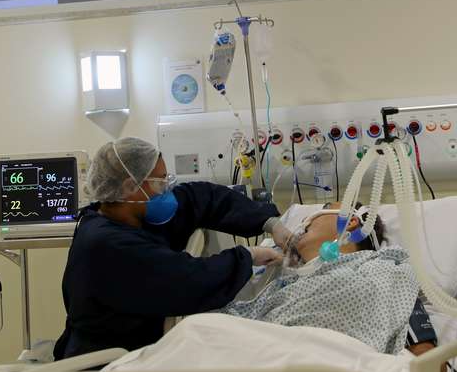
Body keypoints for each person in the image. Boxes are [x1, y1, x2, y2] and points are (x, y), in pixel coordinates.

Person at [54, 137, 285, 359]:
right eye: (160, 182)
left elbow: (202, 198)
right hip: (107, 363)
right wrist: (246, 257)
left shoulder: (134, 215)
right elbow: (189, 279)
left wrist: (268, 221)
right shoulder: (106, 244)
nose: (167, 188)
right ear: (130, 186)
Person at [219, 201, 441, 362]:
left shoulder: (385, 270)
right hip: (265, 364)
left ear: (351, 221)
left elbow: (428, 362)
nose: (305, 221)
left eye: (325, 208)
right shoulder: (282, 284)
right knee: (194, 329)